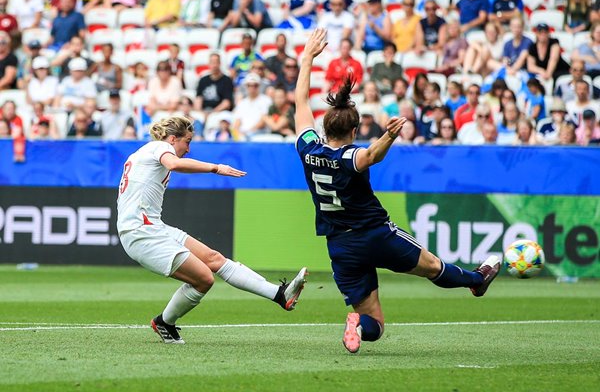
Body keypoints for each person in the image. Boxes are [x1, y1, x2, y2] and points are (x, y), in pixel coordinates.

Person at [294, 29, 500, 354]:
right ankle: (476, 281)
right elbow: (369, 156)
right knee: (432, 266)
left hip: (341, 246)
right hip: (376, 235)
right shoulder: (349, 156)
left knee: (374, 324)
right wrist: (389, 135)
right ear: (353, 129)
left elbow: (300, 104)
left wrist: (307, 58)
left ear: (323, 128)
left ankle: (357, 323)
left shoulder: (307, 150)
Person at [117, 116, 307, 343]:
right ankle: (164, 322)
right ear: (172, 138)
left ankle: (279, 295)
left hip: (152, 226)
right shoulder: (159, 147)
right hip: (141, 232)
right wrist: (216, 168)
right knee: (204, 279)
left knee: (214, 259)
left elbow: (172, 166)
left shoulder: (145, 153)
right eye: (187, 142)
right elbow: (175, 164)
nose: (188, 149)